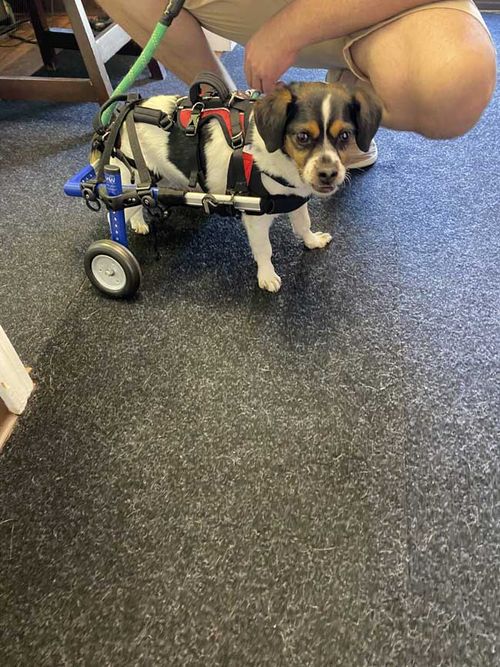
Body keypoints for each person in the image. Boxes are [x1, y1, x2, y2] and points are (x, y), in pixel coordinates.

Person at [97, 0, 496, 167]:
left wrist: (290, 29)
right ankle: (233, 118)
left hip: (377, 11)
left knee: (453, 82)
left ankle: (346, 103)